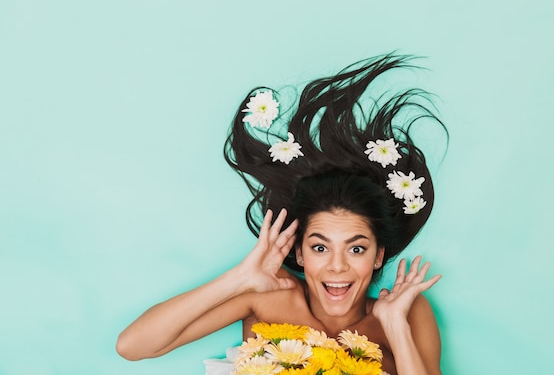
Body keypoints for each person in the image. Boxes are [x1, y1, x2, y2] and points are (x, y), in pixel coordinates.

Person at [116, 54, 446, 375]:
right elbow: (133, 347)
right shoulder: (270, 298)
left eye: (356, 248)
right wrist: (240, 279)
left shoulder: (406, 312)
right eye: (320, 247)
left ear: (378, 257)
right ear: (299, 254)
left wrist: (395, 327)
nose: (337, 264)